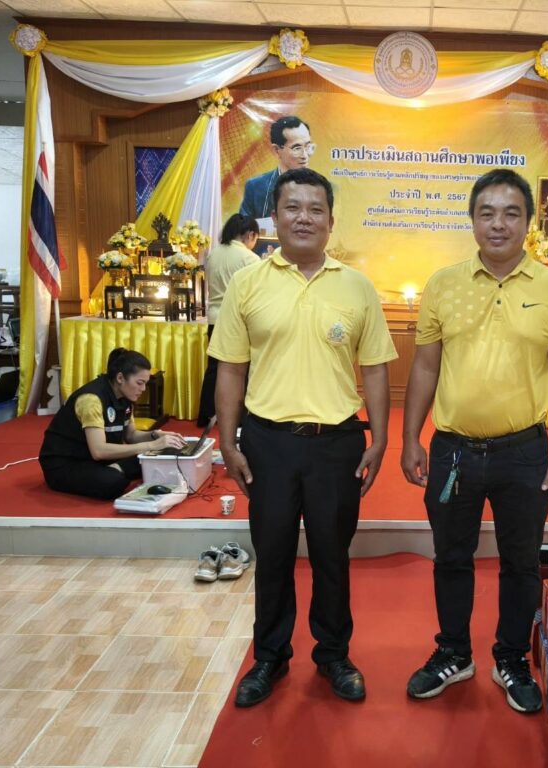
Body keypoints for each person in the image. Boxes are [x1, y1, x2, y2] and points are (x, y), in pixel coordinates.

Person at [211, 168, 397, 707]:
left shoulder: (356, 287)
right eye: (293, 207)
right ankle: (269, 657)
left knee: (331, 555)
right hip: (267, 442)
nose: (304, 218)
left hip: (336, 443)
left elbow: (376, 369)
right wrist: (228, 441)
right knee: (271, 554)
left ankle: (334, 654)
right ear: (274, 216)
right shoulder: (248, 283)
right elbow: (230, 368)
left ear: (331, 220)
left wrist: (379, 439)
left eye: (316, 209)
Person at [401, 168, 548, 714]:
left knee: (521, 561)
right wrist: (411, 437)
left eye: (510, 213)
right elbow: (425, 367)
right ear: (473, 220)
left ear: (528, 222)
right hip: (453, 450)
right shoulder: (443, 285)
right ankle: (454, 652)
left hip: (524, 453)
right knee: (451, 557)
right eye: (487, 213)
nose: (498, 224)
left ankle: (511, 658)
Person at [39, 348, 187, 500]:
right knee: (113, 482)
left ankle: (115, 469)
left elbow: (131, 436)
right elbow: (99, 451)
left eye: (145, 384)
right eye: (140, 383)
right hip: (66, 464)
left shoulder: (126, 396)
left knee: (154, 458)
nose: (143, 389)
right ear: (120, 378)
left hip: (95, 460)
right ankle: (113, 471)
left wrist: (155, 435)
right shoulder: (91, 400)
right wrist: (151, 445)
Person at [196, 213, 260, 427]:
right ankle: (239, 418)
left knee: (214, 369)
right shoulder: (249, 258)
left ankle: (206, 415)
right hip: (238, 320)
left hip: (214, 318)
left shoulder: (214, 255)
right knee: (240, 370)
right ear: (250, 234)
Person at [238, 116, 314, 220]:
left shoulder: (321, 188)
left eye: (308, 146)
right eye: (297, 148)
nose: (305, 155)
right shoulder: (256, 187)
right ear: (277, 150)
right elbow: (243, 227)